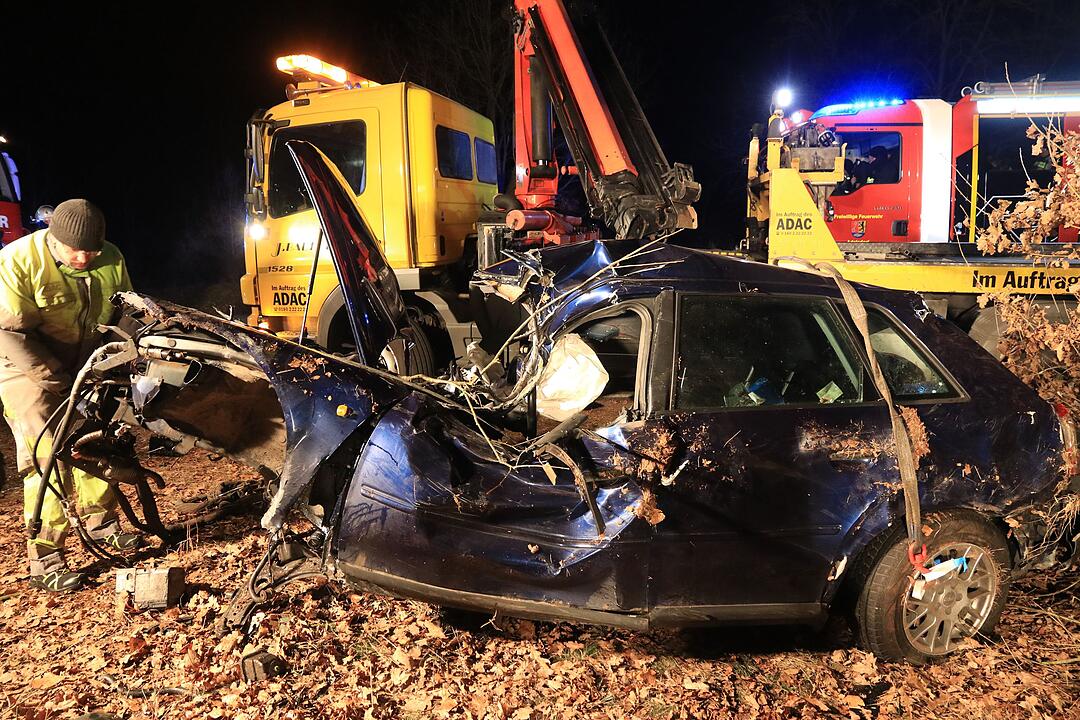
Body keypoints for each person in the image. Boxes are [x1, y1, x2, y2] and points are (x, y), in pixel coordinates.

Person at [0, 198, 139, 592]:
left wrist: (122, 356)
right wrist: (59, 381)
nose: (83, 257)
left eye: (91, 250)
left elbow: (126, 310)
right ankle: (45, 557)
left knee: (95, 442)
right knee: (47, 454)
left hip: (86, 365)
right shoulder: (17, 260)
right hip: (22, 366)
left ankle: (102, 523)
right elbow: (8, 333)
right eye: (73, 250)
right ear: (53, 240)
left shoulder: (110, 257)